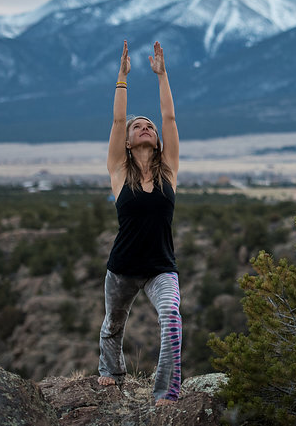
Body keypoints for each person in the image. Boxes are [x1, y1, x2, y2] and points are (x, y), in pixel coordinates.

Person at [98, 39, 182, 406]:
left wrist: (162, 76)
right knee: (113, 325)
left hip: (161, 267)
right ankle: (110, 372)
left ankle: (167, 391)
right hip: (123, 267)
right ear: (129, 142)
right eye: (138, 127)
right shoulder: (118, 171)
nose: (146, 127)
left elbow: (170, 118)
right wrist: (123, 78)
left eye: (149, 126)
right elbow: (119, 119)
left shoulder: (169, 172)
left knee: (172, 320)